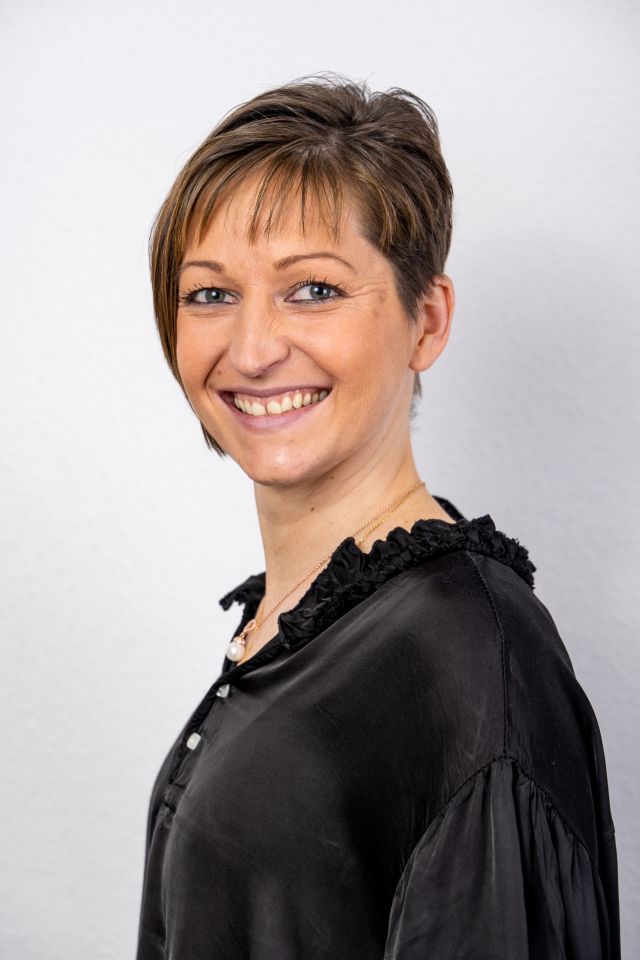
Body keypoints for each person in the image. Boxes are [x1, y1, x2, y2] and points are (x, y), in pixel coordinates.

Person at [135, 75, 620, 959]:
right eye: (210, 294)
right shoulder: (299, 621)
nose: (252, 349)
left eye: (313, 289)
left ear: (426, 320)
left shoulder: (471, 661)